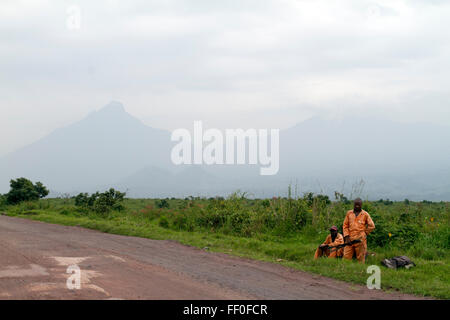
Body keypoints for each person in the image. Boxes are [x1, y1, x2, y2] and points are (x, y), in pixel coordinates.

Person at [342, 198, 375, 263]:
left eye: (358, 205)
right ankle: (345, 271)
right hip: (349, 239)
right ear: (353, 204)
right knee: (346, 258)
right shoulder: (349, 213)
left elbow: (372, 226)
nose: (357, 206)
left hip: (360, 240)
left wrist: (365, 233)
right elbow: (345, 225)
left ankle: (360, 271)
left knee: (360, 258)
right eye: (355, 204)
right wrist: (346, 236)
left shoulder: (365, 214)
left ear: (361, 205)